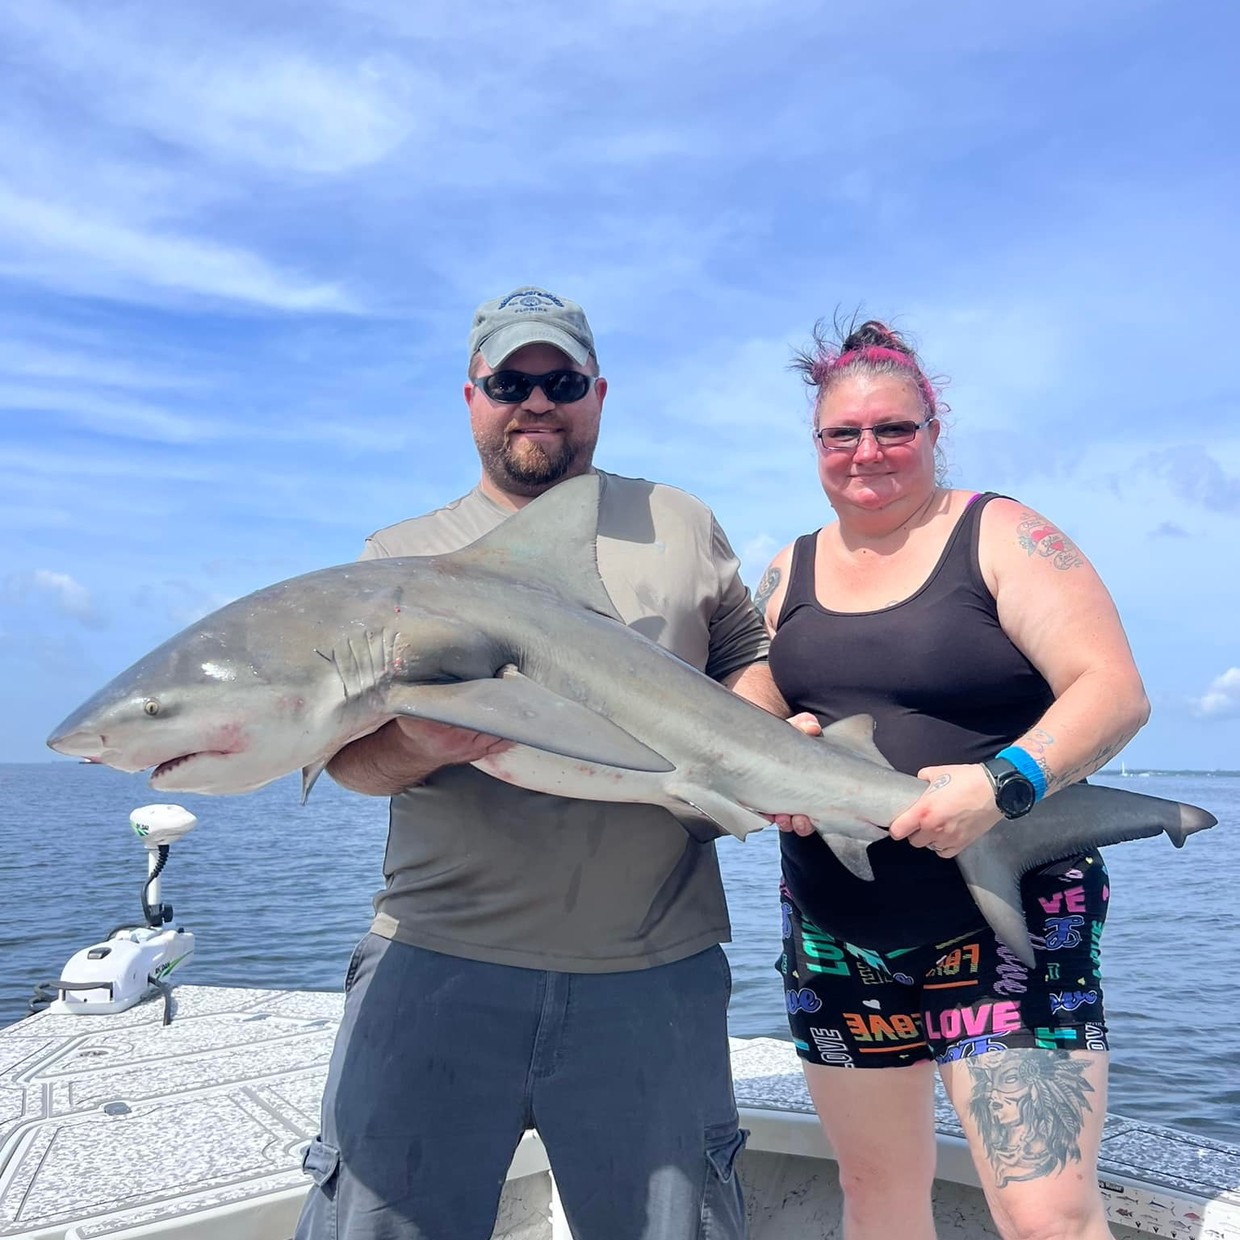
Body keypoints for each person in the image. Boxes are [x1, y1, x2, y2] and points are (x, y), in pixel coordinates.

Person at [295, 287, 788, 1240]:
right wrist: (421, 742)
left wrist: (744, 742)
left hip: (655, 968)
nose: (536, 401)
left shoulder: (677, 520)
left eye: (560, 380)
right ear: (470, 395)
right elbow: (349, 767)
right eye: (509, 381)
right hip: (439, 958)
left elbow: (747, 651)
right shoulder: (398, 560)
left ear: (599, 393)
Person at [755, 318, 1150, 1240]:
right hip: (835, 926)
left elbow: (1114, 692)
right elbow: (754, 690)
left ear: (934, 428)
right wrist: (770, 745)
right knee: (876, 1194)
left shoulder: (1003, 536)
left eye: (894, 429)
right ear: (816, 445)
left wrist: (1000, 785)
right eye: (842, 435)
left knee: (1045, 1215)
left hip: (1009, 917)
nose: (868, 453)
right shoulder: (787, 570)